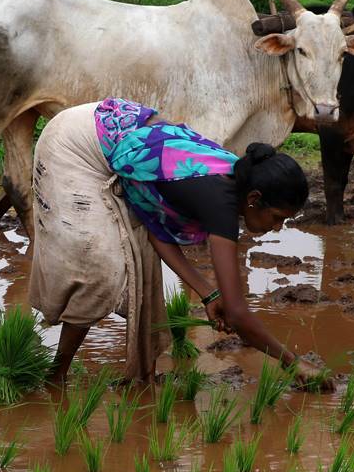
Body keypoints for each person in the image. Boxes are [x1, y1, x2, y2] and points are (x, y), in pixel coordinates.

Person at [29, 98, 327, 389]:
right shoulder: (218, 201)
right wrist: (292, 361)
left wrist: (209, 295)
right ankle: (56, 376)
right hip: (74, 144)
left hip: (110, 130)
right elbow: (238, 313)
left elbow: (158, 234)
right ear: (254, 199)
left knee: (142, 262)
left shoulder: (232, 177)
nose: (276, 228)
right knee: (101, 272)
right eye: (276, 218)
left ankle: (138, 378)